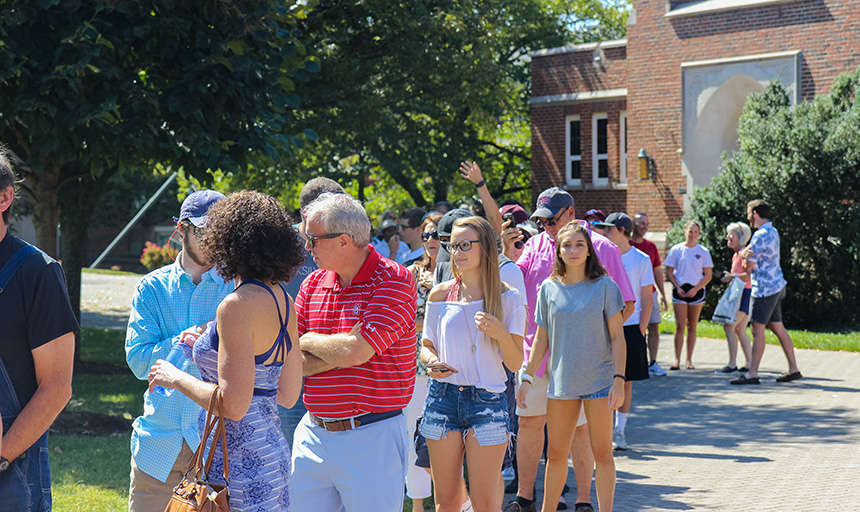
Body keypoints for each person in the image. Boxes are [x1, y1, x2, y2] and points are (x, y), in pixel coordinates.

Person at [148, 191, 305, 510]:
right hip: (272, 457)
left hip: (237, 466)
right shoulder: (285, 303)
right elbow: (287, 394)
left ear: (228, 241)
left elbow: (233, 405)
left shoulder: (234, 306)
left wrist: (175, 377)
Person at [501, 187, 634, 512]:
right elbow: (538, 326)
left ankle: (588, 503)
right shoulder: (540, 263)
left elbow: (620, 327)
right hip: (552, 371)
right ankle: (530, 498)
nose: (547, 228)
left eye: (578, 245)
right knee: (547, 442)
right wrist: (527, 375)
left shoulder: (605, 271)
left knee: (594, 445)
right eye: (543, 223)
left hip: (596, 375)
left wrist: (615, 373)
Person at [291, 192, 417, 511]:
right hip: (313, 431)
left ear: (344, 241)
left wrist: (307, 340)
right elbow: (291, 358)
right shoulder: (312, 283)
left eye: (313, 239)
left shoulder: (394, 279)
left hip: (372, 436)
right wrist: (335, 346)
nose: (307, 248)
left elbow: (355, 352)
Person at [126, 189, 235, 511]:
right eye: (204, 232)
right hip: (160, 447)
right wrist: (185, 341)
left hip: (222, 448)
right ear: (181, 229)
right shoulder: (151, 287)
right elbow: (138, 361)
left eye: (222, 234)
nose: (214, 242)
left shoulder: (241, 287)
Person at [419, 216, 527, 512]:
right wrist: (432, 363)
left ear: (487, 248)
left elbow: (515, 362)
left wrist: (501, 333)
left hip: (487, 402)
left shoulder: (509, 297)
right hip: (442, 399)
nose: (457, 252)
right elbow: (426, 346)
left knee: (484, 503)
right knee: (447, 502)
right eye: (453, 246)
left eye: (466, 244)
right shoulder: (440, 294)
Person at [0, 150, 77, 511]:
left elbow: (57, 386)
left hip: (12, 474)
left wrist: (2, 455)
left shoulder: (37, 273)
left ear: (5, 196)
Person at [279, 177, 346, 449]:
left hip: (336, 365)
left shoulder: (345, 241)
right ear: (308, 213)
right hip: (285, 366)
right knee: (289, 451)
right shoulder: (280, 245)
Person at [597, 213, 654, 451]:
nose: (604, 233)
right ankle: (601, 430)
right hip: (602, 325)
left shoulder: (640, 259)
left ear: (621, 230)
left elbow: (647, 297)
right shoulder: (602, 256)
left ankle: (619, 431)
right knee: (601, 378)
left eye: (608, 229)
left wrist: (640, 330)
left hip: (630, 327)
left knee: (625, 381)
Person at [731, 200, 802, 385]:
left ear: (754, 213)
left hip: (763, 290)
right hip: (777, 285)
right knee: (778, 327)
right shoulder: (773, 231)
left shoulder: (759, 236)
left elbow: (748, 267)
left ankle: (752, 373)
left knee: (756, 329)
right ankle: (793, 369)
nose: (748, 217)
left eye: (748, 213)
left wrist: (744, 256)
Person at [404, 211, 442, 512]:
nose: (431, 240)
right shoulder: (410, 273)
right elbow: (402, 320)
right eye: (427, 234)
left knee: (444, 441)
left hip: (451, 369)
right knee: (412, 438)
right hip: (414, 368)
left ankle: (451, 500)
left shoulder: (463, 274)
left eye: (439, 234)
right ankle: (418, 505)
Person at [664, 220, 713, 370]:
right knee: (680, 325)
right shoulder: (676, 250)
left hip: (696, 292)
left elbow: (708, 275)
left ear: (699, 234)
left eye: (695, 232)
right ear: (685, 232)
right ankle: (676, 360)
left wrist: (696, 289)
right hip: (680, 291)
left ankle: (689, 360)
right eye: (690, 231)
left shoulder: (703, 251)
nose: (692, 235)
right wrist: (677, 286)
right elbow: (669, 272)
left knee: (692, 326)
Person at [630, 213, 669, 376]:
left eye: (647, 224)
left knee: (653, 326)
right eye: (642, 224)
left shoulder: (651, 246)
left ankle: (653, 362)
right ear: (634, 224)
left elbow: (657, 272)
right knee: (634, 329)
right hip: (632, 294)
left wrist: (662, 294)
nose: (645, 227)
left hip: (649, 293)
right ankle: (636, 362)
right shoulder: (626, 245)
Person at [715, 222, 753, 375]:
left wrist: (732, 276)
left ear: (741, 237)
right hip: (740, 294)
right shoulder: (736, 255)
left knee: (729, 326)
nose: (728, 237)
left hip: (744, 295)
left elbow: (749, 275)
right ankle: (750, 363)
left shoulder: (744, 253)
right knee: (739, 329)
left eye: (732, 234)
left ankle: (732, 364)